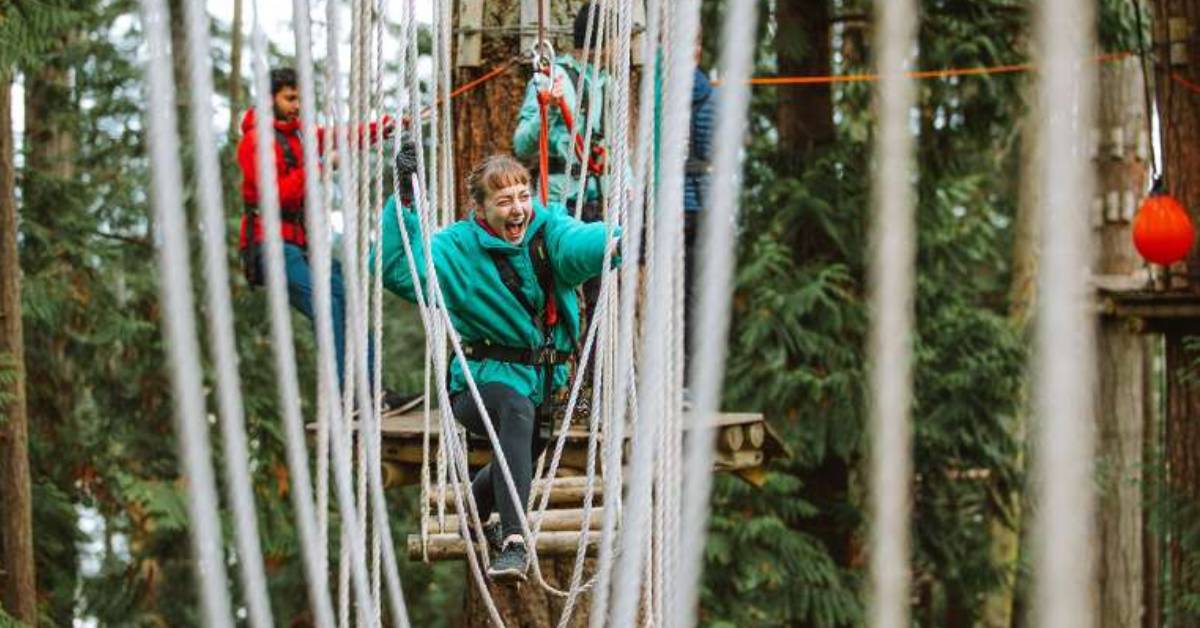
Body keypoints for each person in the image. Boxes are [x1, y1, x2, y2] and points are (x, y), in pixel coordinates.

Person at [376, 154, 616, 581]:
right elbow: (398, 269)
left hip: (542, 384)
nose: (518, 209)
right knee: (516, 415)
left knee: (524, 449)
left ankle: (476, 509)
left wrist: (618, 240)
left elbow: (580, 244)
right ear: (481, 207)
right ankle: (513, 542)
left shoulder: (547, 232)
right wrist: (403, 202)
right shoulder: (457, 249)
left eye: (523, 196)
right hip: (478, 384)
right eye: (504, 201)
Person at [237, 67, 396, 398]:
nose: (297, 105)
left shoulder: (297, 135)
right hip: (270, 245)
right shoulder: (255, 142)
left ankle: (369, 390)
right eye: (289, 98)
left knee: (346, 299)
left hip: (299, 246)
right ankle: (347, 393)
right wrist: (322, 166)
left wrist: (384, 127)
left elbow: (339, 135)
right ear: (270, 100)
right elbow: (277, 194)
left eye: (300, 99)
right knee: (327, 304)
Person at [683, 36, 715, 384]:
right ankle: (689, 379)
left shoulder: (656, 92)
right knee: (693, 296)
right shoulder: (712, 98)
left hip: (667, 208)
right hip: (701, 205)